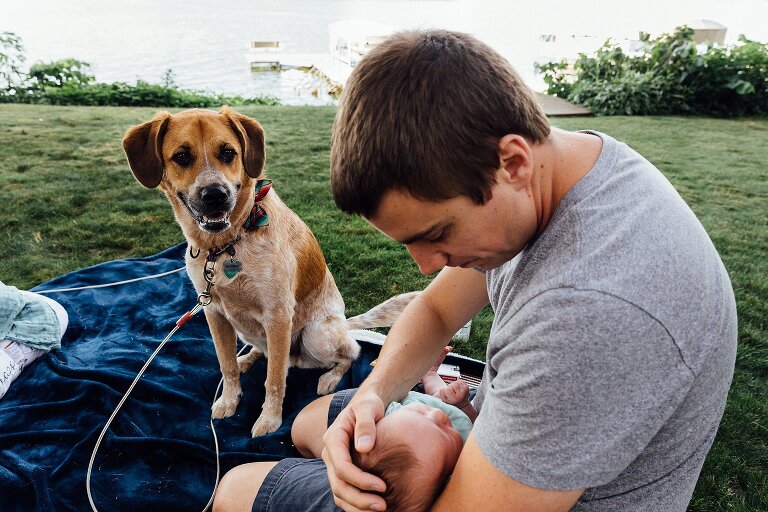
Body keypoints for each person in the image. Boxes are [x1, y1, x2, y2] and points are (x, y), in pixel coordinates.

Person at [213, 29, 737, 512]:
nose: (425, 266)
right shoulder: (560, 171)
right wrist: (373, 396)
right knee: (313, 424)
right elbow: (438, 309)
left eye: (436, 234)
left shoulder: (594, 312)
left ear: (512, 163)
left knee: (238, 488)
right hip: (486, 428)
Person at [291, 348, 475, 512]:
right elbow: (473, 421)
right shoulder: (466, 447)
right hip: (445, 401)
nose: (438, 415)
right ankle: (431, 376)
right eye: (444, 431)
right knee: (442, 394)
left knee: (436, 396)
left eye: (422, 412)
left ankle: (430, 375)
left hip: (425, 397)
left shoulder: (402, 417)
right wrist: (464, 405)